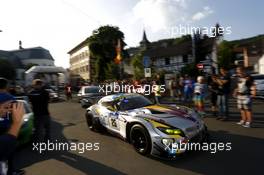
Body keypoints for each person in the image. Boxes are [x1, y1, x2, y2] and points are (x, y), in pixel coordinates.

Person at [0, 78, 25, 175]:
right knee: (9, 151)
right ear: (6, 86)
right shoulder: (10, 98)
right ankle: (11, 170)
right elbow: (17, 114)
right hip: (7, 128)